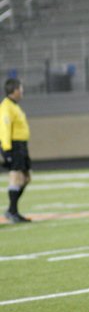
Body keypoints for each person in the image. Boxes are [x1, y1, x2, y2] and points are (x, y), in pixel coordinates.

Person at [1, 78, 31, 223]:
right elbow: (4, 129)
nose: (22, 91)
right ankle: (12, 211)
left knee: (26, 178)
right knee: (16, 178)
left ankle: (12, 210)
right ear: (14, 91)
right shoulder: (6, 107)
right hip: (14, 146)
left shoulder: (15, 106)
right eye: (20, 88)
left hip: (22, 146)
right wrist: (7, 151)